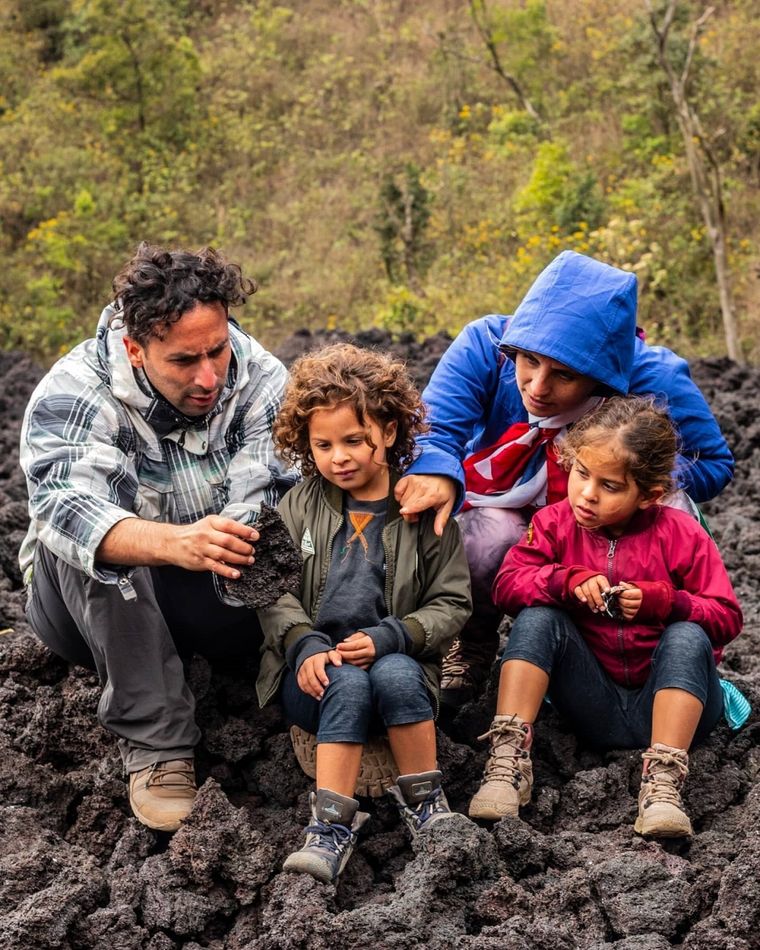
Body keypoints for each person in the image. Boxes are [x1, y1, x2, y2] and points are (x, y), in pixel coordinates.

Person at [19, 243, 291, 832]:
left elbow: (271, 487)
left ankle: (307, 702)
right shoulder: (75, 389)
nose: (209, 376)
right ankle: (159, 743)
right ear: (136, 350)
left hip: (215, 587)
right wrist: (171, 543)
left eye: (217, 350)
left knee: (313, 516)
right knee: (79, 543)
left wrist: (227, 538)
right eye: (184, 361)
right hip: (92, 609)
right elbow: (68, 507)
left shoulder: (262, 376)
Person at [394, 250, 734, 709]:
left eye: (564, 375)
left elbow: (713, 462)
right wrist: (436, 472)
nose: (536, 387)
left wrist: (629, 478)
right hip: (503, 493)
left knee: (671, 514)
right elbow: (435, 430)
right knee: (481, 539)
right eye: (529, 360)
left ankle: (642, 655)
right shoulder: (485, 343)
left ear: (602, 378)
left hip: (602, 505)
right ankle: (472, 647)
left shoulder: (652, 377)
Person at [467, 396, 742, 837]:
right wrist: (563, 581)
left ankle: (664, 783)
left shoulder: (681, 533)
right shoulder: (555, 523)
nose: (587, 494)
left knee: (688, 635)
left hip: (671, 705)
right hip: (592, 703)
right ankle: (507, 762)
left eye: (610, 486)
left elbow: (727, 616)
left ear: (650, 495)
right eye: (580, 473)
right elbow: (507, 586)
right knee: (538, 619)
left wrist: (665, 602)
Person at [255, 343, 472, 884]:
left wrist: (395, 635)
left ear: (391, 431)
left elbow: (453, 601)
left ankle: (428, 803)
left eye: (355, 440)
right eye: (323, 444)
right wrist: (302, 643)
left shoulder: (421, 511)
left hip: (402, 665)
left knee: (396, 674)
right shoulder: (297, 505)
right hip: (314, 677)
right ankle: (328, 825)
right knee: (345, 685)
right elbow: (272, 589)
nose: (340, 457)